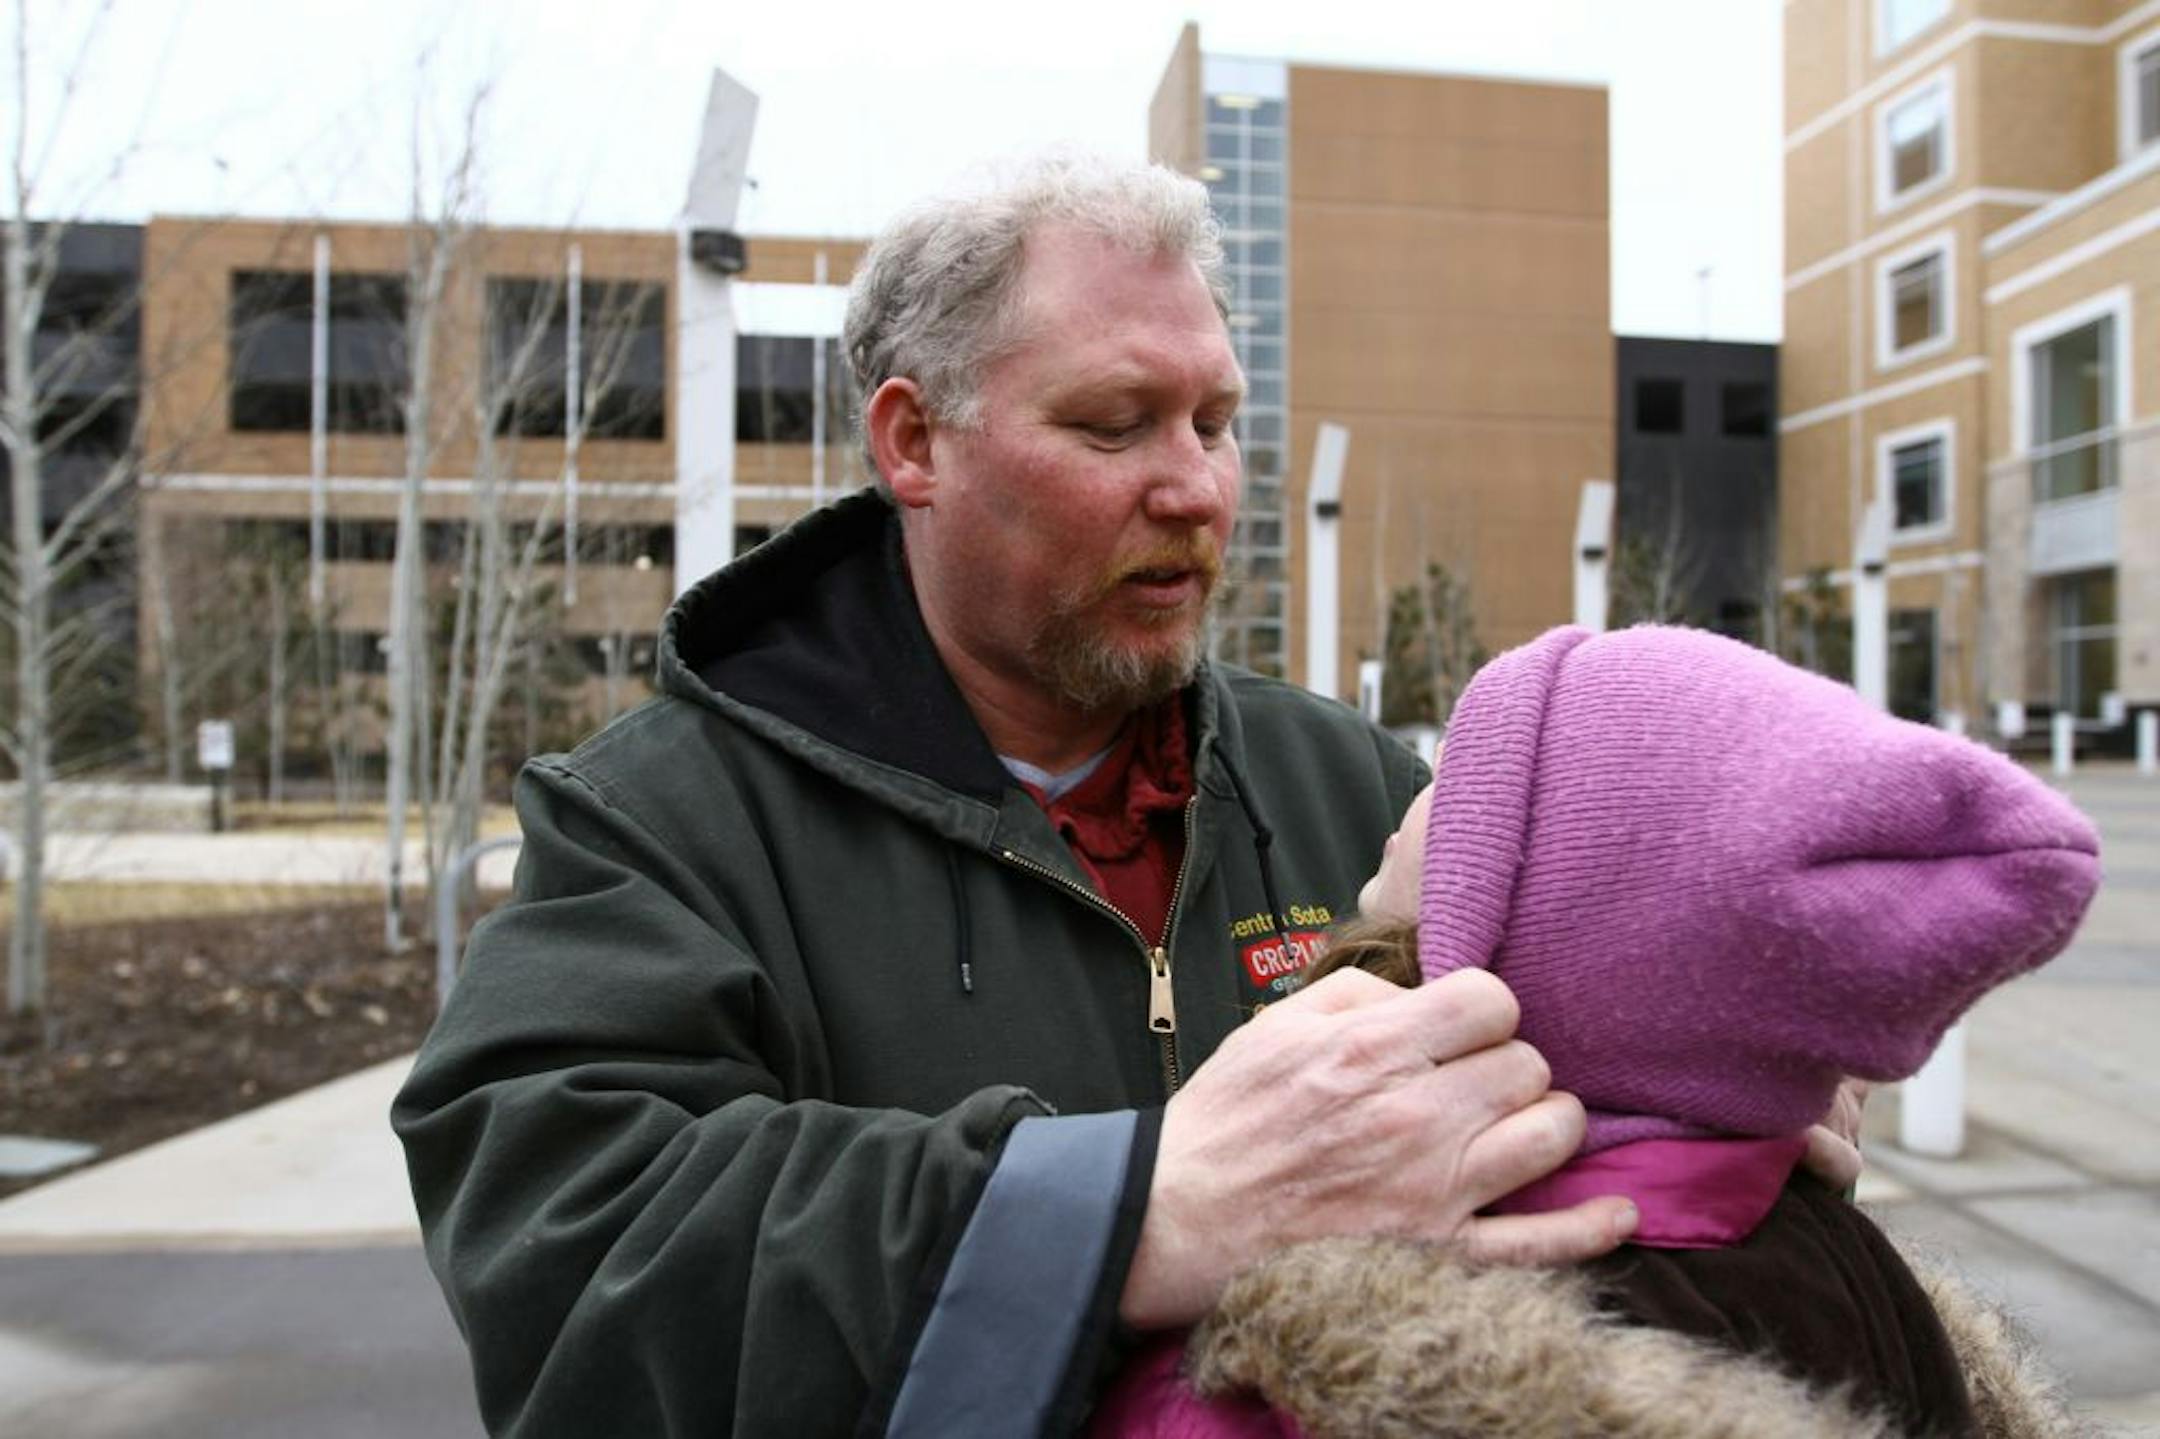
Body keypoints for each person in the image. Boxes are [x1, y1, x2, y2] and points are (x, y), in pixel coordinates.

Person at [393, 153, 1844, 1438]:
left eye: (1214, 421)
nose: (1196, 486)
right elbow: (571, 1248)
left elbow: (1570, 1084)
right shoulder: (660, 820)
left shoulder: (1347, 781)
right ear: (913, 443)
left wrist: (1709, 1104)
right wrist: (1129, 1211)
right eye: (1114, 424)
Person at [1089, 624, 2099, 1437]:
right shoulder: (1855, 1281)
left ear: (1541, 927)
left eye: (1473, 779)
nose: (1413, 794)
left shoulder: (1290, 1373)